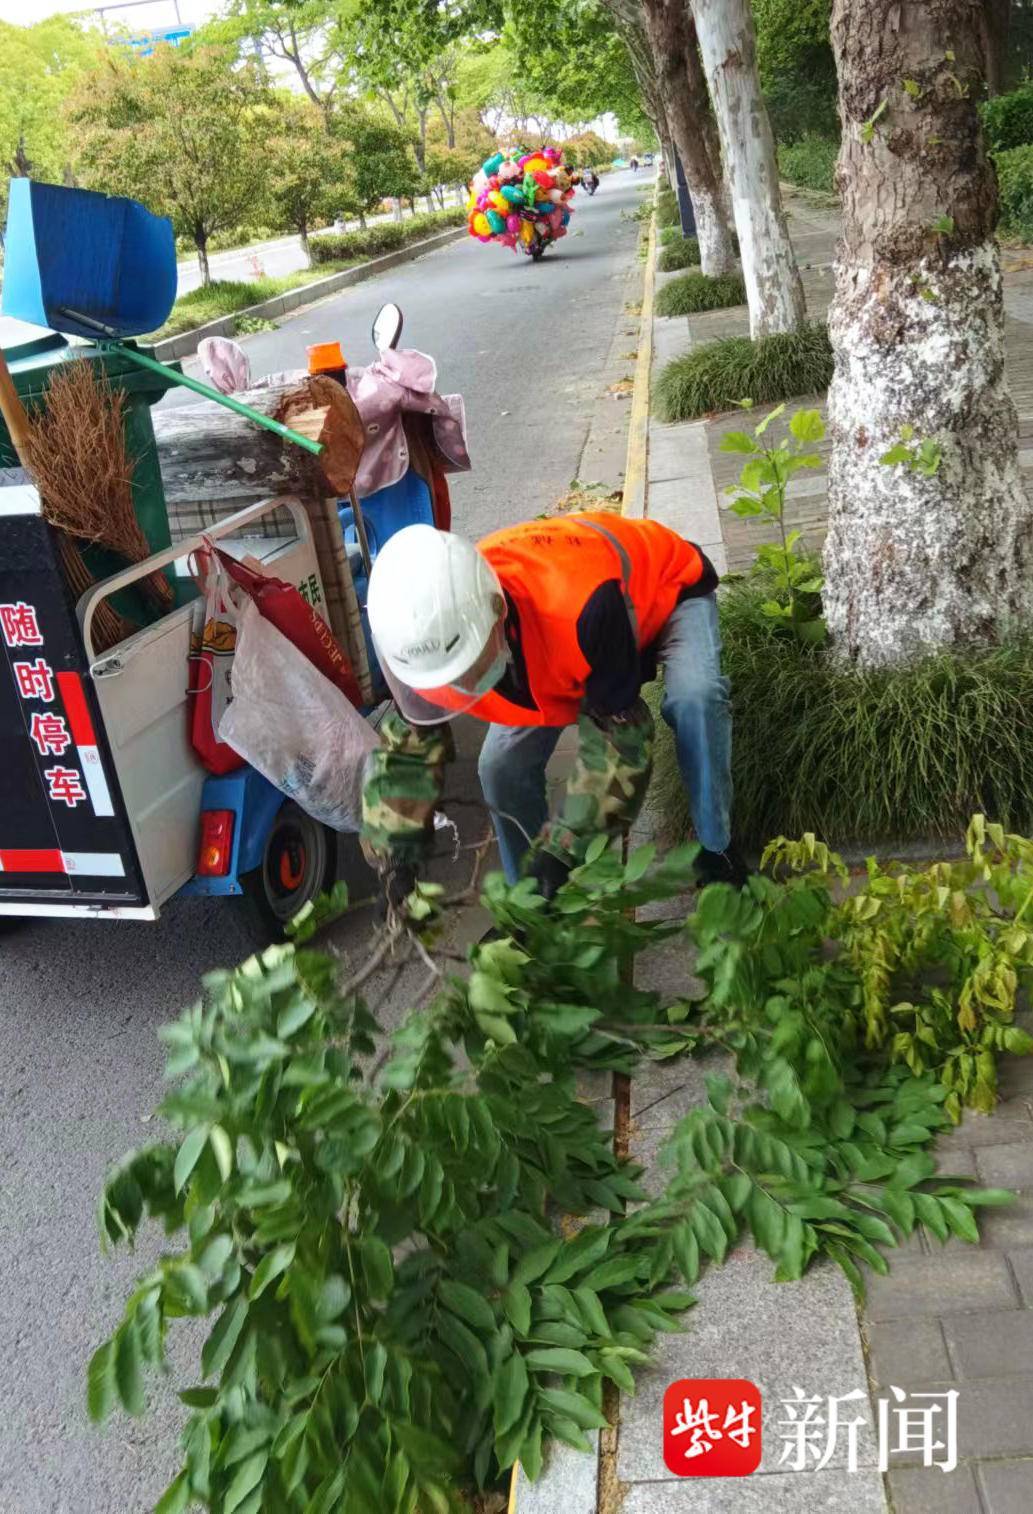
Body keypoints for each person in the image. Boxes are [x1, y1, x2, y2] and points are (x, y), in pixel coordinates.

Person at [361, 512, 746, 908]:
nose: (460, 688)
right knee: (499, 768)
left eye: (470, 667)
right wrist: (393, 853)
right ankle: (532, 904)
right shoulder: (423, 641)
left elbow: (622, 746)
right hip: (560, 654)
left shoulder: (582, 606)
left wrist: (563, 849)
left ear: (497, 615)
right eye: (451, 677)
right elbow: (406, 751)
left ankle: (718, 851)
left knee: (696, 699)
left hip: (665, 590)